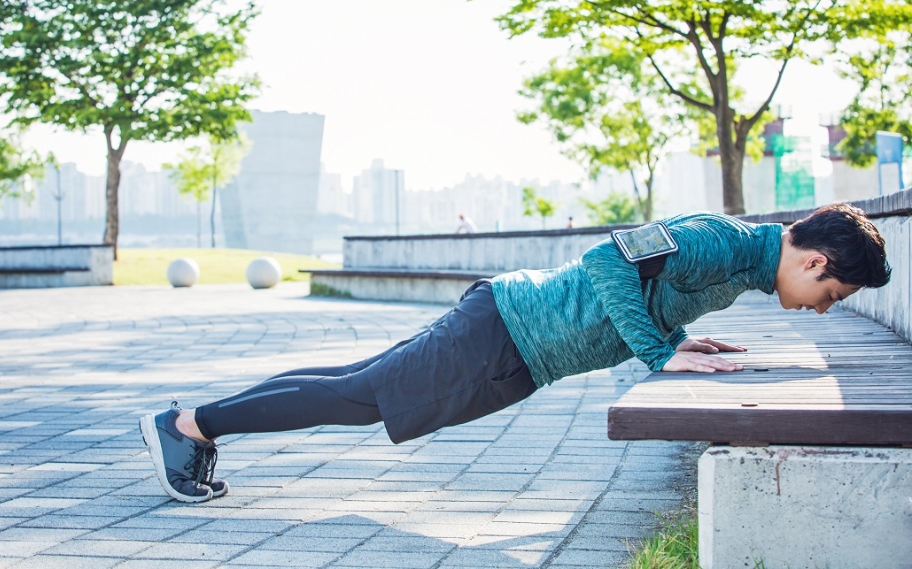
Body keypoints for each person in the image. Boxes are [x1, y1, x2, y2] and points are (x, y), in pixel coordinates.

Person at [140, 203, 890, 503]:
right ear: (818, 263)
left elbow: (649, 288)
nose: (820, 310)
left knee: (357, 386)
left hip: (515, 344)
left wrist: (679, 339)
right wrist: (660, 360)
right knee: (358, 398)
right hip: (506, 327)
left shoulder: (744, 266)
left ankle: (192, 421)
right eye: (830, 298)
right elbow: (607, 261)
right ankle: (188, 428)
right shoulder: (723, 241)